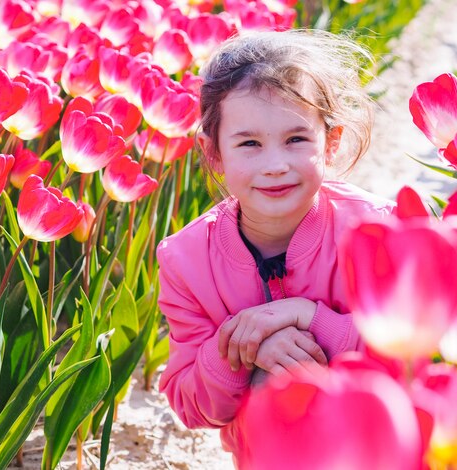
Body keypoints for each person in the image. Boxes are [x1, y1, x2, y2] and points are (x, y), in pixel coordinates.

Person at [156, 29, 396, 463]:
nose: (275, 165)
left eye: (296, 139)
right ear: (214, 155)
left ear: (332, 141)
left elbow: (407, 360)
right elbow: (190, 404)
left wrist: (310, 318)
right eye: (249, 143)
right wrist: (244, 350)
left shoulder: (373, 231)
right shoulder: (186, 261)